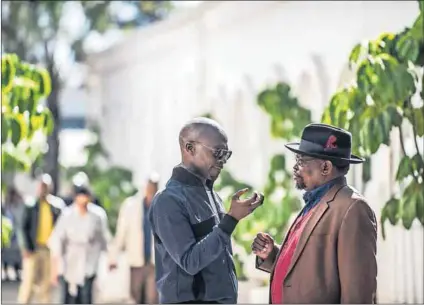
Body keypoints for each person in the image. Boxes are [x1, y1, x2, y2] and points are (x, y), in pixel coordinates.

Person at [252, 123, 377, 304]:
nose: (295, 167)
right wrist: (272, 254)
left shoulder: (353, 208)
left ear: (325, 167)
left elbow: (357, 295)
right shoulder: (316, 200)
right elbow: (312, 271)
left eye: (301, 161)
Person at [149, 117, 264, 304]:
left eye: (227, 154)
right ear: (189, 148)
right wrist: (231, 219)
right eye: (218, 152)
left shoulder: (210, 194)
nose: (223, 161)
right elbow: (190, 261)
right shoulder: (168, 201)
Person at [48, 186, 109, 304]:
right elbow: (57, 240)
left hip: (89, 261)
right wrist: (55, 267)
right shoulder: (67, 215)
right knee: (68, 298)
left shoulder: (98, 215)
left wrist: (109, 258)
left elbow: (104, 238)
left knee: (86, 296)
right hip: (69, 262)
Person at [109, 174, 160, 304]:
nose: (151, 189)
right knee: (135, 298)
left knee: (152, 299)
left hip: (155, 263)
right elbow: (121, 233)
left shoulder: (162, 205)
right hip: (136, 261)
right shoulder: (130, 205)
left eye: (154, 186)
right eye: (149, 186)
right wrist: (113, 257)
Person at [17, 174, 66, 304]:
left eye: (46, 186)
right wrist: (26, 247)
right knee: (28, 282)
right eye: (42, 186)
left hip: (50, 250)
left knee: (46, 285)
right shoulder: (31, 205)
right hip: (34, 249)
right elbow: (22, 227)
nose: (44, 189)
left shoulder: (56, 206)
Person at [2, 187, 25, 281]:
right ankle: (8, 270)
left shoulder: (19, 206)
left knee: (16, 255)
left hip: (16, 235)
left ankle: (17, 271)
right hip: (8, 235)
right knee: (7, 254)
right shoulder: (6, 207)